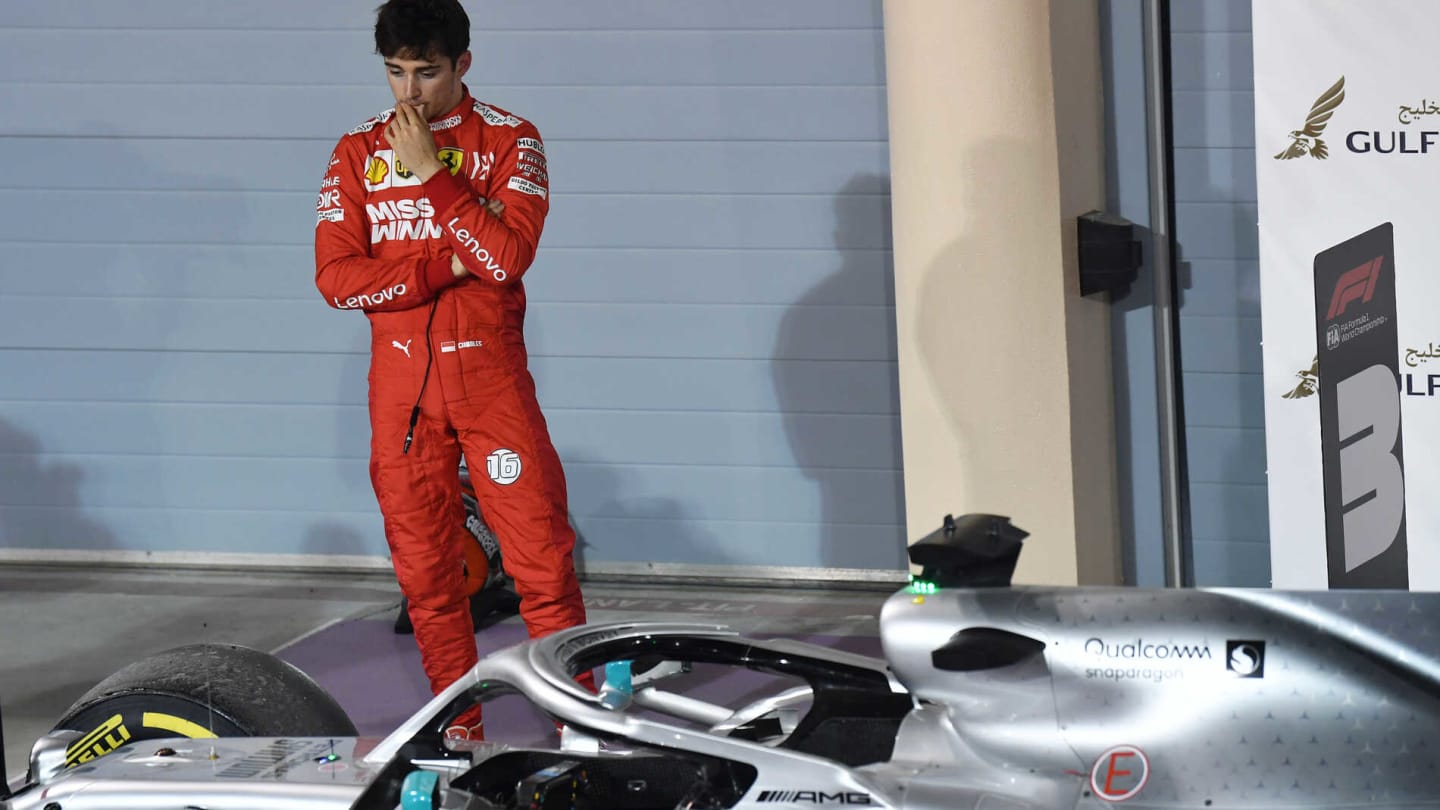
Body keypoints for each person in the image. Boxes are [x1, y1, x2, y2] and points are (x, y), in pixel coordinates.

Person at [313, 0, 588, 740]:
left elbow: (503, 259)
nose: (410, 93)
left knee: (543, 570)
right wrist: (441, 266)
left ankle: (583, 727)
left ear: (461, 65)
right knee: (430, 582)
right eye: (396, 71)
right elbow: (336, 281)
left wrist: (433, 174)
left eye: (426, 72)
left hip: (491, 388)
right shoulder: (354, 150)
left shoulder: (510, 139)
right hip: (400, 401)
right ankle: (458, 730)